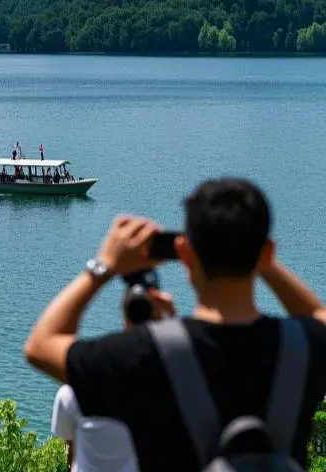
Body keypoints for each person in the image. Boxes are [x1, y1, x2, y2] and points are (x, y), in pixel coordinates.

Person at [24, 178, 326, 472]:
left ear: (185, 254)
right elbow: (317, 314)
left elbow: (41, 345)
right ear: (267, 252)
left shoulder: (144, 354)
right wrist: (265, 263)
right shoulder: (302, 346)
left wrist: (103, 266)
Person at [52, 270, 174, 472]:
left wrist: (100, 270)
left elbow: (70, 451)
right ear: (159, 311)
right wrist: (171, 327)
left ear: (124, 313)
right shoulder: (178, 389)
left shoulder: (77, 389)